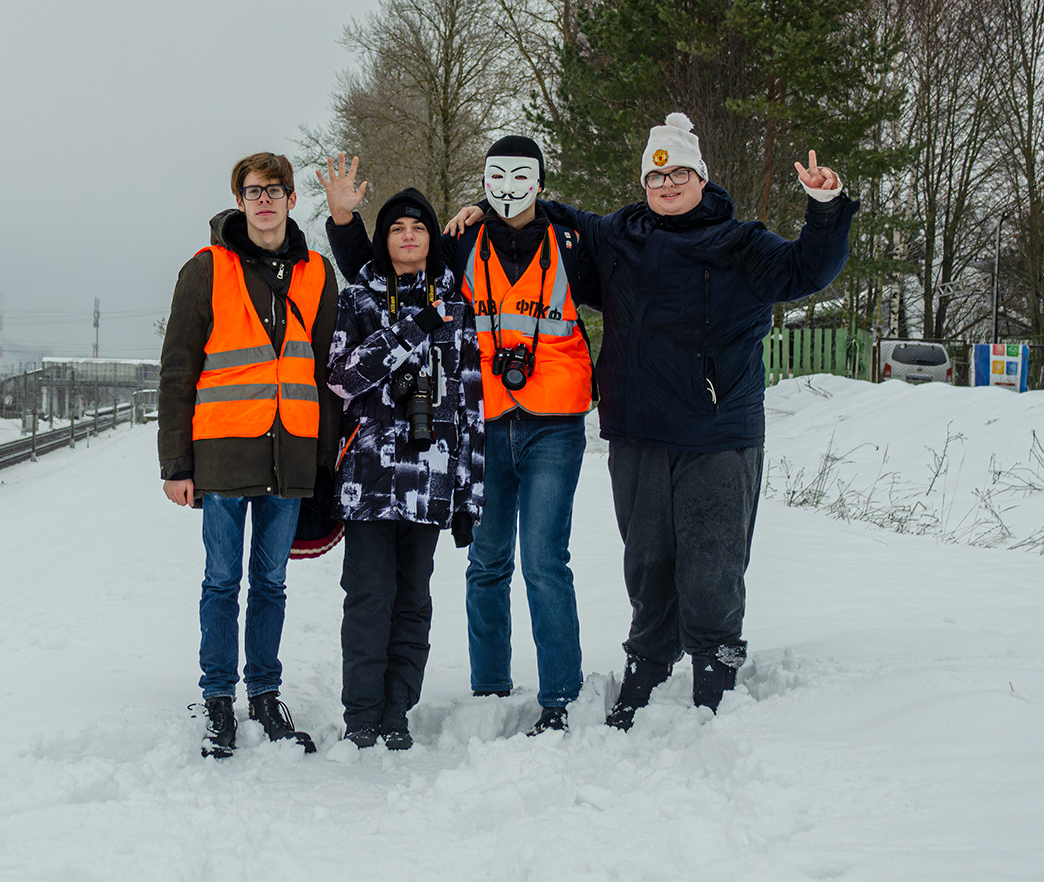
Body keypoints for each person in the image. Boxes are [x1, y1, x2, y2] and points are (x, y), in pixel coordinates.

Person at [455, 113, 858, 728]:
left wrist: (825, 210)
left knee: (711, 556)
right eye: (655, 176)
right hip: (638, 427)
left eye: (679, 175)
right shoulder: (620, 234)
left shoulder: (741, 243)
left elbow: (809, 269)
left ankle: (714, 656)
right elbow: (548, 212)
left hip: (716, 430)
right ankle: (649, 653)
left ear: (701, 178)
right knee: (646, 556)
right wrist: (486, 207)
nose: (666, 186)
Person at [319, 138, 599, 735]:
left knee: (541, 561)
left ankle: (559, 697)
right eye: (496, 178)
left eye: (522, 177)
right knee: (480, 566)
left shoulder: (566, 244)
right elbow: (375, 264)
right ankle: (481, 693)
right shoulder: (455, 250)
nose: (410, 235)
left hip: (539, 425)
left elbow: (627, 268)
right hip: (452, 440)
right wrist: (343, 216)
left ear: (541, 183)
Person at [158, 151, 340, 758]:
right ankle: (218, 701)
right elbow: (177, 371)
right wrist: (176, 465)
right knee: (221, 580)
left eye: (275, 190)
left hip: (291, 452)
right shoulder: (207, 269)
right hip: (223, 453)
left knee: (271, 581)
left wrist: (326, 456)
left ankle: (264, 694)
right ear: (240, 201)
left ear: (292, 199)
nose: (265, 200)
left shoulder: (318, 272)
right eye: (253, 191)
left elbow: (327, 370)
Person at [326, 188, 484, 749]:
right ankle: (361, 716)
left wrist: (470, 497)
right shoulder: (357, 300)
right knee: (369, 599)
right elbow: (342, 378)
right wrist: (413, 327)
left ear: (432, 238)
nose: (409, 236)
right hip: (369, 480)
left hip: (431, 479)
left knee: (413, 603)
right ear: (383, 239)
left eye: (419, 228)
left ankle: (398, 712)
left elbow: (470, 404)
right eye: (397, 229)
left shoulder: (457, 302)